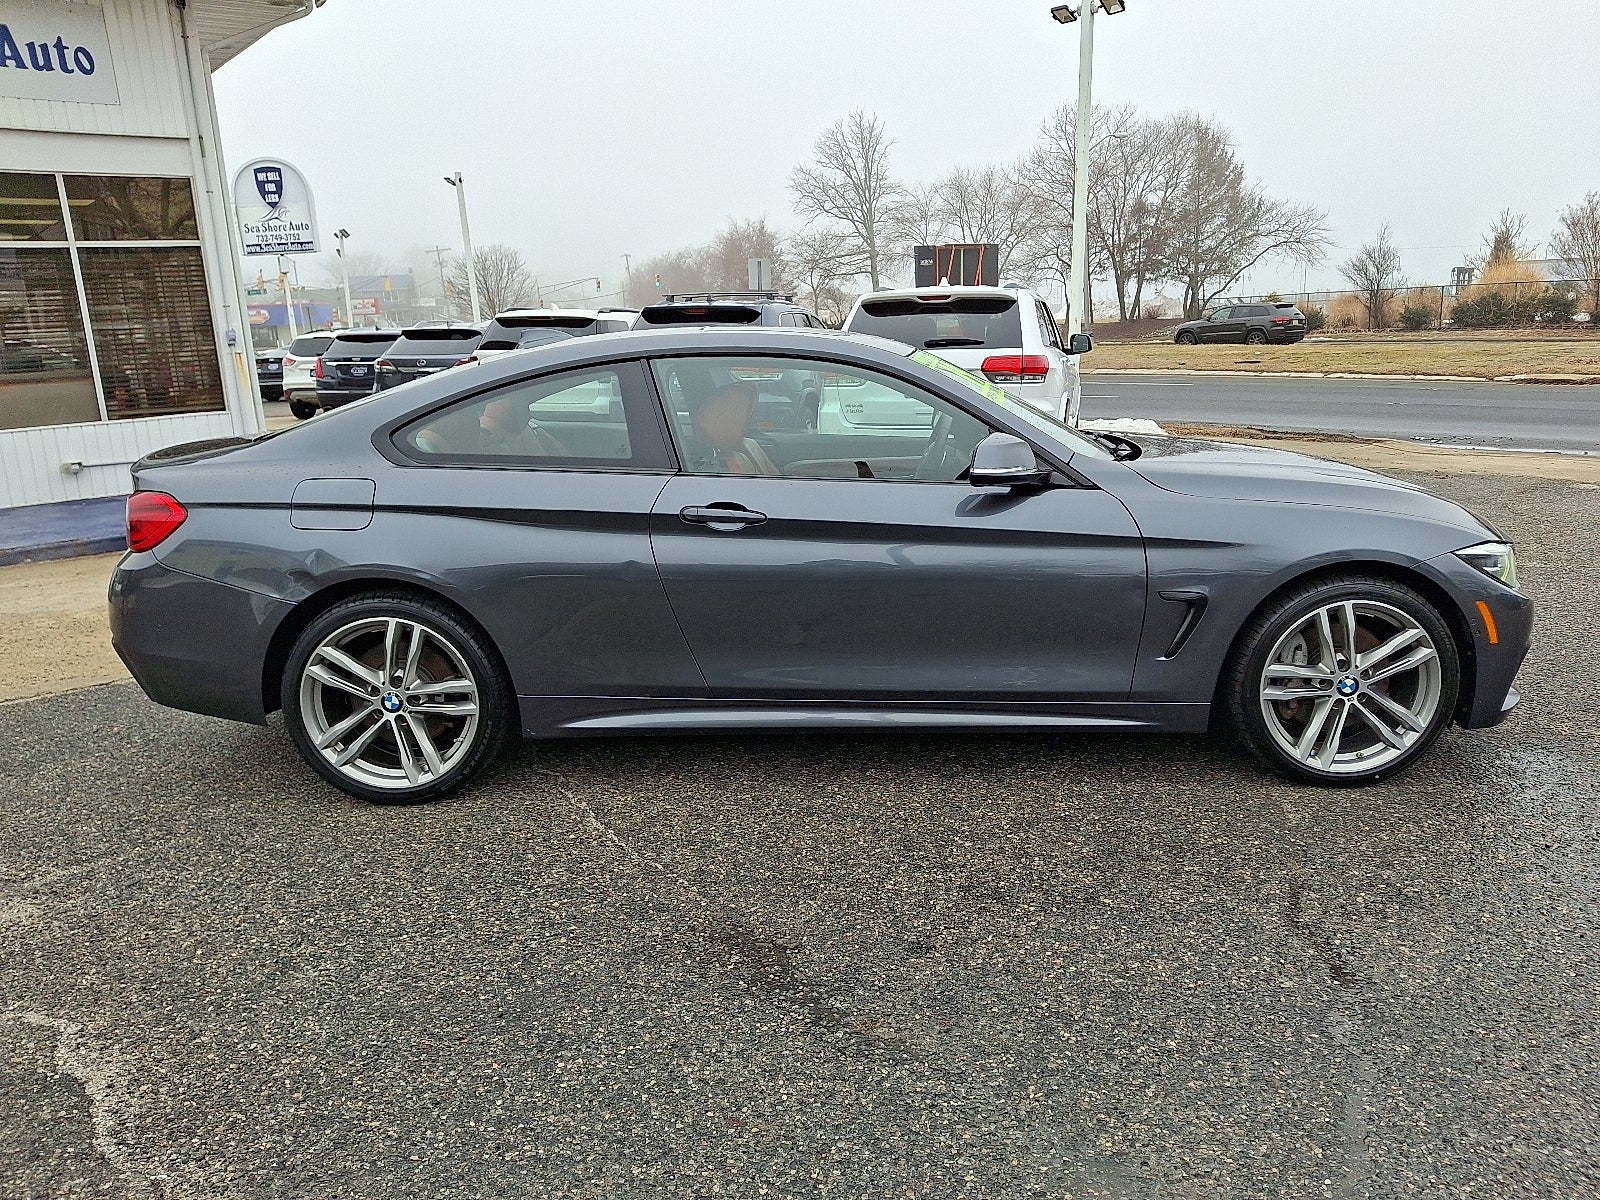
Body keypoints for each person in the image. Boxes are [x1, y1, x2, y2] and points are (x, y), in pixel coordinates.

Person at [689, 383, 779, 475]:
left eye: (745, 412)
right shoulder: (725, 468)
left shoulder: (749, 444)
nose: (749, 418)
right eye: (736, 414)